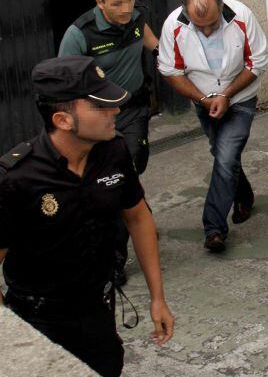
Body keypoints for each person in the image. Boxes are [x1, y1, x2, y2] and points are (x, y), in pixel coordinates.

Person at [0, 56, 174, 377]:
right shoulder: (17, 178)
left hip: (97, 312)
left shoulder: (114, 152)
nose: (116, 112)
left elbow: (138, 218)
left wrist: (157, 298)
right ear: (63, 120)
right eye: (101, 107)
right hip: (39, 320)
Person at [58, 0, 159, 286]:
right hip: (100, 121)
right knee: (113, 182)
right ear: (100, 4)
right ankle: (115, 258)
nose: (126, 9)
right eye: (117, 4)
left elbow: (154, 45)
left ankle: (135, 209)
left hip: (134, 110)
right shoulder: (80, 34)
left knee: (132, 167)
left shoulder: (139, 14)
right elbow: (65, 82)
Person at [157, 0, 268, 253]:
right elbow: (169, 69)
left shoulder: (241, 15)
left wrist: (227, 95)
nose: (207, 32)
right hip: (203, 100)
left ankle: (214, 229)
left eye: (212, 25)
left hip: (240, 98)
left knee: (226, 155)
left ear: (221, 7)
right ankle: (243, 195)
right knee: (222, 155)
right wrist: (203, 99)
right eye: (200, 27)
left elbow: (258, 60)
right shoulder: (173, 25)